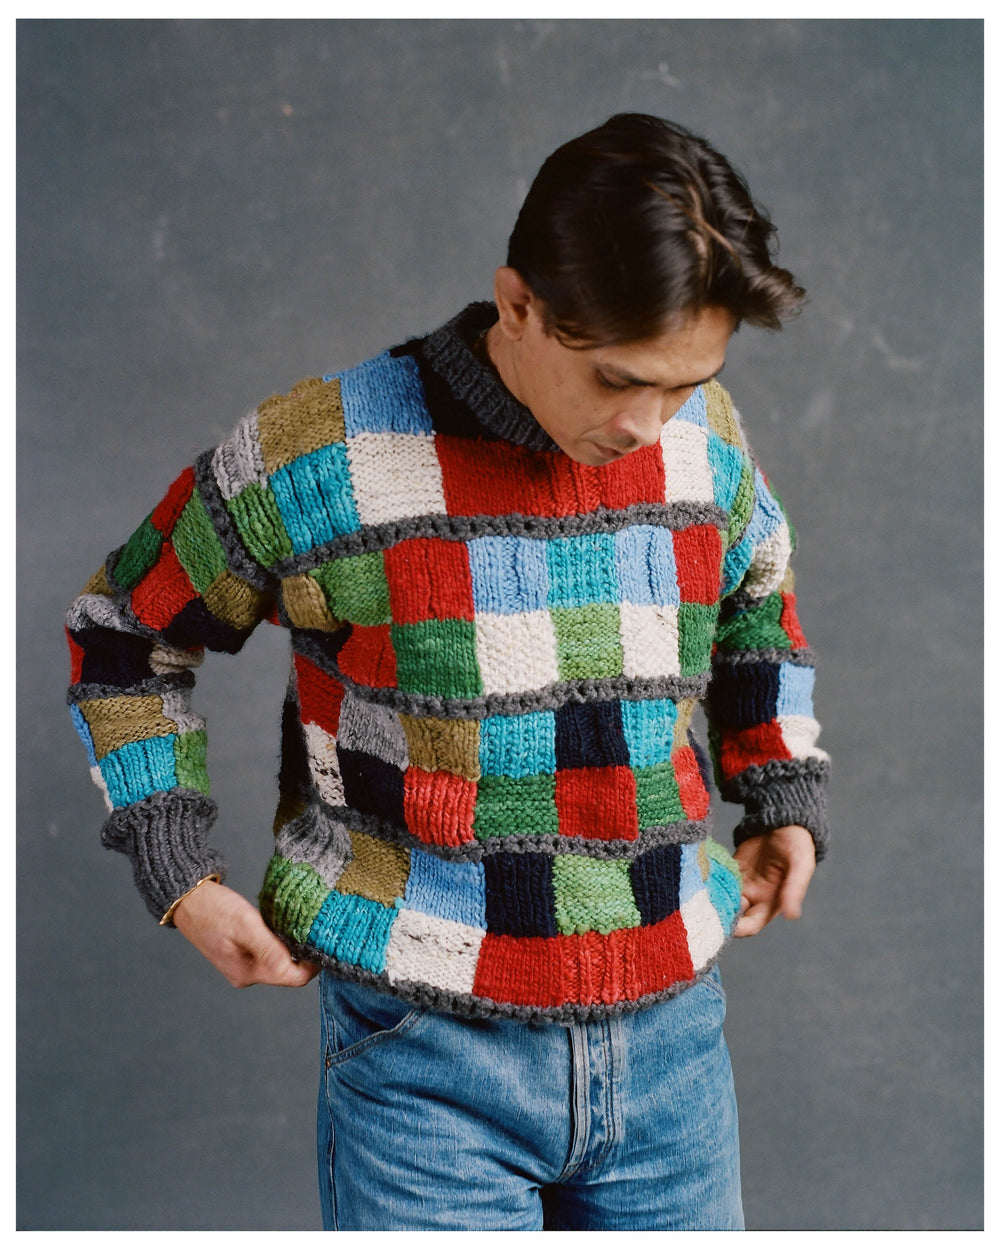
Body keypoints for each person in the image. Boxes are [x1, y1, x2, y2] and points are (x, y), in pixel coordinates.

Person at [66, 113, 829, 1231]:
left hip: (673, 1044)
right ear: (517, 303)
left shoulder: (701, 434)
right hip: (425, 1057)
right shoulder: (322, 453)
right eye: (618, 378)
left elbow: (757, 600)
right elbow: (125, 634)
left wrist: (781, 789)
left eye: (684, 383)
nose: (646, 423)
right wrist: (177, 868)